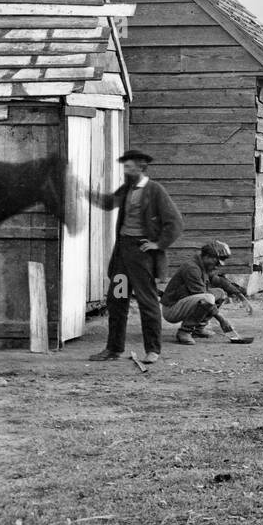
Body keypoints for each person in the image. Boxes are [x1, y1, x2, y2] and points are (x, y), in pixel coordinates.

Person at [88, 149, 184, 364]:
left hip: (141, 257)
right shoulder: (127, 189)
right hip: (123, 255)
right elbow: (108, 203)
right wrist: (85, 192)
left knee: (147, 302)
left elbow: (175, 222)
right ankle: (113, 349)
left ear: (141, 168)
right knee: (118, 300)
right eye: (125, 167)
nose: (126, 170)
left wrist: (157, 244)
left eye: (130, 167)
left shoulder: (154, 191)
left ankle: (152, 350)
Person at [162, 241, 253, 345]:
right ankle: (184, 331)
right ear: (208, 257)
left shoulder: (203, 265)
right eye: (217, 262)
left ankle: (198, 328)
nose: (218, 266)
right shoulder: (192, 268)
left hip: (183, 303)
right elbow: (204, 300)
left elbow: (219, 281)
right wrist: (222, 320)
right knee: (208, 299)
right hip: (171, 309)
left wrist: (240, 296)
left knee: (220, 293)